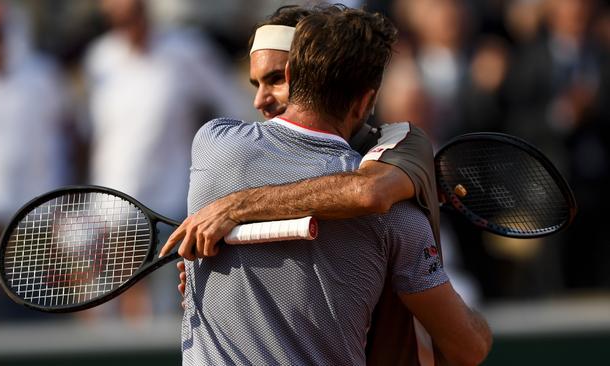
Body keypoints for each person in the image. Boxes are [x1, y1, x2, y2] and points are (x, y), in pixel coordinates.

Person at [166, 5, 491, 365]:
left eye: (274, 79)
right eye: (256, 83)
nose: (260, 100)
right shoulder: (400, 213)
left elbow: (369, 191)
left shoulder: (214, 144)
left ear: (294, 72)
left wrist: (235, 206)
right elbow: (469, 347)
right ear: (367, 100)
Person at [82, 0, 249, 318]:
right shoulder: (99, 59)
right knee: (105, 321)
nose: (126, 21)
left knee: (164, 317)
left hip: (169, 210)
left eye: (131, 12)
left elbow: (234, 108)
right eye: (116, 15)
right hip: (110, 215)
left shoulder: (188, 51)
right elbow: (94, 138)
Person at [0, 0, 67, 322]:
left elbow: (70, 138)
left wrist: (65, 206)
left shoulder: (41, 77)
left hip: (34, 223)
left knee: (34, 312)